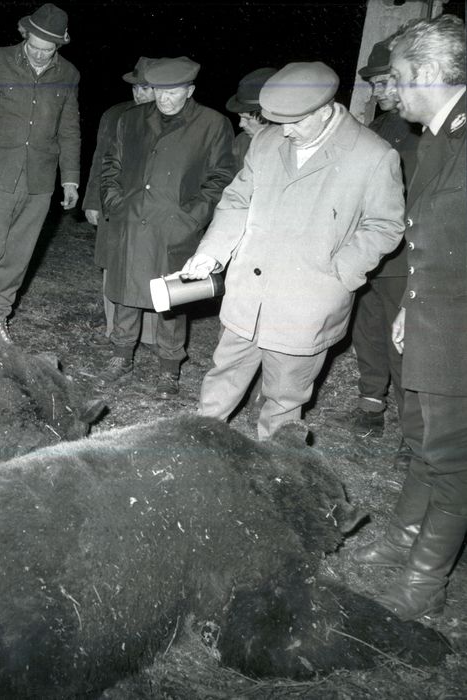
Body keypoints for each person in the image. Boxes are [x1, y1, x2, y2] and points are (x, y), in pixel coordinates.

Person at [179, 61, 404, 438]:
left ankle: (275, 465)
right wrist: (212, 251)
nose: (284, 131)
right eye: (278, 121)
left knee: (284, 400)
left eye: (294, 122)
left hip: (306, 305)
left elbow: (386, 224)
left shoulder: (373, 155)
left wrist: (340, 273)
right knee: (221, 380)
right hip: (248, 295)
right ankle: (199, 445)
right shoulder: (266, 141)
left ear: (325, 110)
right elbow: (237, 199)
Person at [349, 15, 467, 622]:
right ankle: (402, 539)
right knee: (423, 438)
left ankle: (426, 582)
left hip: (459, 330)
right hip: (431, 317)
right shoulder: (442, 136)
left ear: (427, 73)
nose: (389, 90)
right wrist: (410, 306)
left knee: (454, 459)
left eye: (396, 77)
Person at [96, 57, 234, 398]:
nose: (164, 99)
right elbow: (111, 164)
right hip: (131, 221)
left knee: (172, 299)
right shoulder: (131, 119)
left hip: (175, 228)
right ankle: (121, 355)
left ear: (190, 90)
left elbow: (221, 178)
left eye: (173, 92)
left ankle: (169, 368)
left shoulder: (212, 124)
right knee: (126, 291)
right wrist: (115, 203)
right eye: (158, 91)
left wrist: (191, 219)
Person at [0, 3, 81, 344]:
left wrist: (70, 178)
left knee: (19, 255)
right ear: (25, 35)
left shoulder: (69, 75)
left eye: (47, 50)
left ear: (60, 45)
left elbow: (69, 129)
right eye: (34, 46)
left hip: (40, 180)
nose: (39, 55)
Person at [330, 40, 421, 439]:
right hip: (369, 253)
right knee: (367, 334)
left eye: (387, 82)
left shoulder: (426, 132)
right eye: (375, 84)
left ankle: (412, 433)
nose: (379, 91)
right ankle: (371, 408)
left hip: (407, 258)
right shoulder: (376, 129)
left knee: (404, 343)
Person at [83, 57, 158, 351]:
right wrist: (93, 202)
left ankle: (149, 335)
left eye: (147, 88)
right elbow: (99, 160)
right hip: (114, 205)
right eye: (136, 88)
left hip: (152, 209)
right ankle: (114, 329)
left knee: (152, 266)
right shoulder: (115, 115)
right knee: (113, 264)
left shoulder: (174, 120)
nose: (139, 94)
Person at [225, 67, 277, 171]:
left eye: (247, 119)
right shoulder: (241, 141)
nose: (241, 124)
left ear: (269, 116)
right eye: (240, 117)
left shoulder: (293, 144)